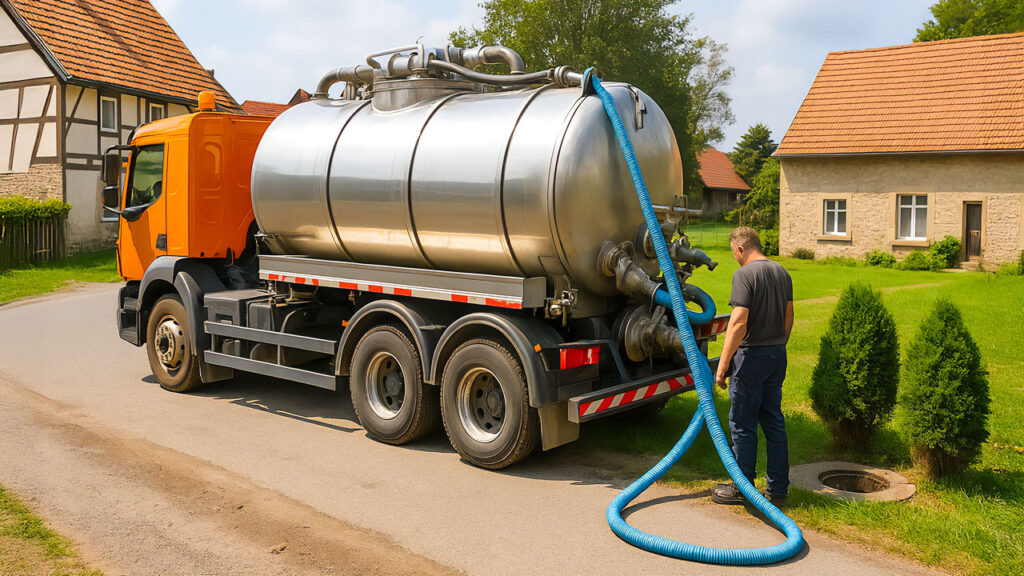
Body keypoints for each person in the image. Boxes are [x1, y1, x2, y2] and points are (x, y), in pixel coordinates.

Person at [711, 227, 794, 506]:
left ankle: (743, 488)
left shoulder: (744, 274)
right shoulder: (782, 272)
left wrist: (722, 367)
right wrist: (778, 344)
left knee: (743, 424)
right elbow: (788, 316)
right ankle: (778, 490)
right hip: (776, 354)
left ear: (740, 250)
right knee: (773, 422)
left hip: (750, 358)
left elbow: (737, 323)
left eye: (735, 254)